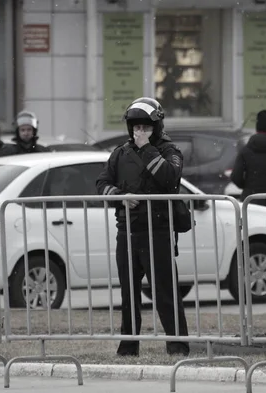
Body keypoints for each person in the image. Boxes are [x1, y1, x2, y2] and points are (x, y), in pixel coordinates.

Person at [95, 97, 189, 357]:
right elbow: (102, 182)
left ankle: (178, 346)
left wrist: (147, 148)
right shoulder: (120, 153)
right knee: (129, 293)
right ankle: (128, 347)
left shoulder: (170, 150)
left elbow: (170, 179)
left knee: (165, 293)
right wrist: (119, 196)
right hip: (127, 231)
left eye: (146, 127)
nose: (140, 132)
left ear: (156, 127)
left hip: (157, 232)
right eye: (136, 127)